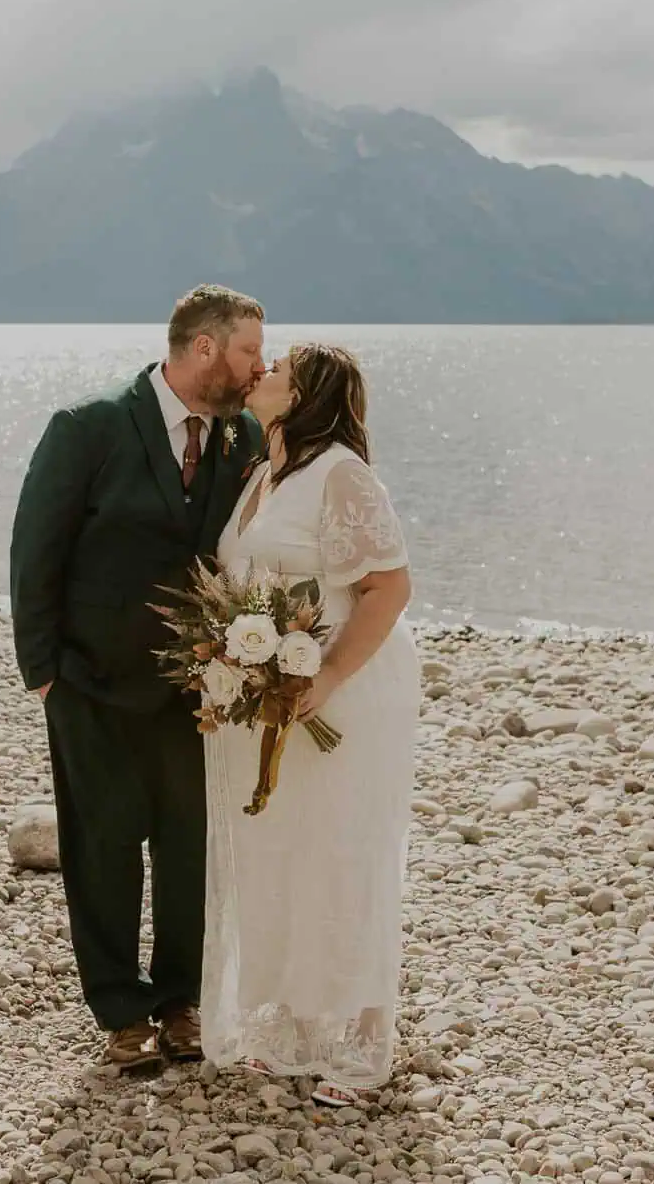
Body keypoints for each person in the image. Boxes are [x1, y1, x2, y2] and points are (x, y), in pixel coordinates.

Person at [8, 285, 267, 1071]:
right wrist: (44, 673)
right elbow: (34, 550)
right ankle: (121, 1012)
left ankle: (180, 1002)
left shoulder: (244, 434)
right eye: (250, 350)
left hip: (197, 691)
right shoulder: (88, 427)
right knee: (104, 847)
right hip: (90, 683)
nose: (260, 366)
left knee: (194, 847)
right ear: (203, 350)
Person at [201, 342, 419, 1106]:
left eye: (281, 369)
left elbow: (388, 589)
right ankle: (289, 1026)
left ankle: (358, 1041)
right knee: (282, 849)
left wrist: (323, 673)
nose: (262, 373)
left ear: (310, 394)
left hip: (341, 697)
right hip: (269, 699)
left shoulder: (341, 476)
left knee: (342, 851)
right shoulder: (267, 471)